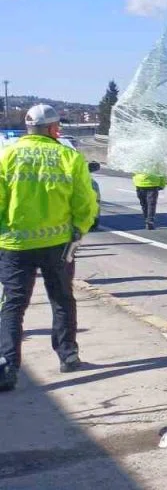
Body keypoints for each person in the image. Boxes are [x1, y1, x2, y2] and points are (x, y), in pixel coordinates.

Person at [0, 105, 98, 391]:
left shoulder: (7, 155)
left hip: (15, 245)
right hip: (58, 245)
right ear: (54, 129)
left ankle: (7, 366)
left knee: (13, 305)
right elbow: (85, 201)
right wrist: (80, 228)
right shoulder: (69, 157)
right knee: (62, 298)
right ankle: (68, 355)